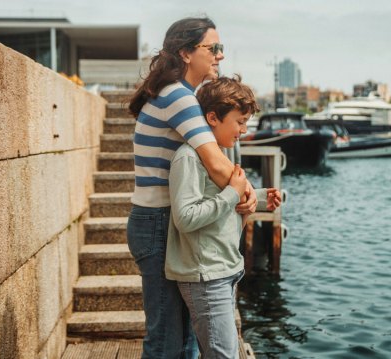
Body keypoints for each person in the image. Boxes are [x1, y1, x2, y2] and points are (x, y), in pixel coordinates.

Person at [127, 17, 258, 359]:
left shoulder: (179, 94)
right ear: (186, 53)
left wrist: (244, 188)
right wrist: (246, 192)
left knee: (183, 340)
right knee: (168, 340)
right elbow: (216, 164)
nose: (220, 56)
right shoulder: (179, 97)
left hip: (159, 221)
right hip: (157, 222)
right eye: (212, 48)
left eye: (221, 48)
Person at [166, 76, 281, 358]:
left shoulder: (218, 155)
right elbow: (185, 216)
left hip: (223, 270)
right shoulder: (189, 157)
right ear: (213, 118)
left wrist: (262, 196)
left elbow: (224, 196)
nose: (243, 130)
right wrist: (232, 193)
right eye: (240, 122)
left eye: (247, 123)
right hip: (206, 275)